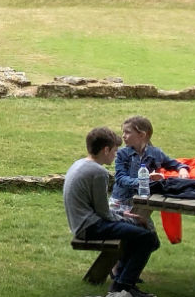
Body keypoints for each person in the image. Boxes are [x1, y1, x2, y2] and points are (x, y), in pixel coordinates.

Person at [65, 126, 160, 297]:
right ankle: (122, 287)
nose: (116, 155)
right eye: (115, 151)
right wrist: (133, 220)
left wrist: (125, 215)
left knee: (140, 235)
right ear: (106, 149)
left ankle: (123, 282)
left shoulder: (80, 164)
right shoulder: (98, 172)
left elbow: (100, 208)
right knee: (148, 237)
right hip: (90, 226)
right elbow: (104, 214)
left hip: (82, 223)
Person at [112, 115, 187, 202]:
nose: (123, 136)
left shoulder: (156, 153)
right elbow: (120, 178)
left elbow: (175, 164)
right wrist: (143, 181)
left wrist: (182, 169)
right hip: (121, 200)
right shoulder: (122, 153)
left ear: (142, 135)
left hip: (144, 200)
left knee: (142, 215)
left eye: (127, 132)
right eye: (123, 132)